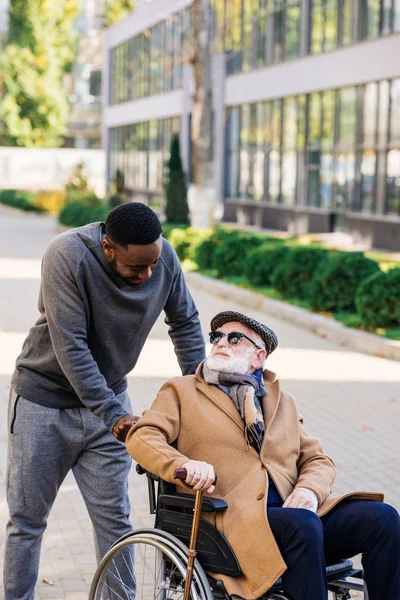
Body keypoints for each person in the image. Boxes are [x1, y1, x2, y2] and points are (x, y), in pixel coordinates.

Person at [4, 202, 205, 600]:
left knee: (115, 522)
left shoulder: (160, 258)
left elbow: (184, 323)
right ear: (108, 248)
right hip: (43, 405)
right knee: (27, 522)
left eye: (153, 263)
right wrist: (115, 415)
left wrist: (201, 398)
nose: (147, 274)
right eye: (136, 268)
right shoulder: (67, 255)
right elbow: (72, 346)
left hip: (108, 405)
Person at [127, 310, 400, 600]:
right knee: (301, 526)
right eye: (217, 337)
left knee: (382, 518)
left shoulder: (280, 400)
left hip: (291, 520)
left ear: (258, 357)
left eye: (234, 338)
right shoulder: (181, 391)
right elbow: (143, 436)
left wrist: (308, 491)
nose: (221, 342)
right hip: (230, 522)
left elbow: (317, 460)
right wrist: (182, 464)